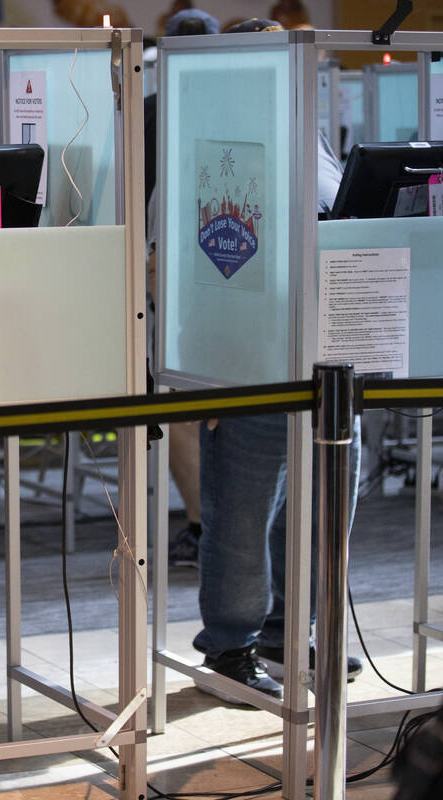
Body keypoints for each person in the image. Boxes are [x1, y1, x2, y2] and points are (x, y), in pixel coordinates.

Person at [192, 18, 361, 704]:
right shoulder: (201, 143)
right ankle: (229, 647)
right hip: (247, 359)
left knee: (323, 504)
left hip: (328, 355)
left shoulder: (311, 137)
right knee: (243, 514)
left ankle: (292, 632)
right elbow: (167, 260)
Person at [142, 8, 219, 569]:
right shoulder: (257, 105)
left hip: (171, 279)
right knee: (193, 415)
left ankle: (201, 527)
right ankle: (205, 527)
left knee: (186, 414)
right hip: (197, 277)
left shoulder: (151, 111)